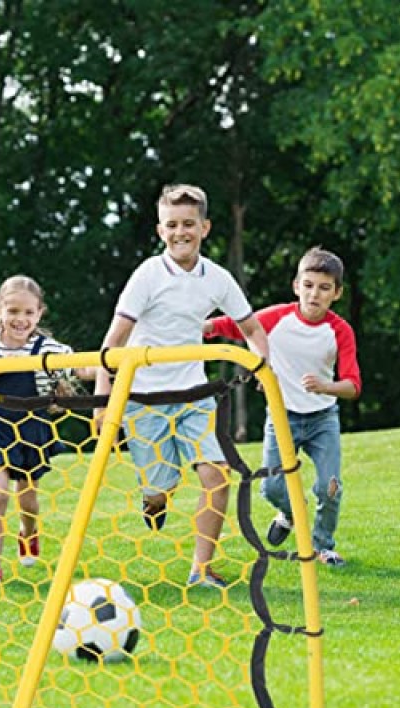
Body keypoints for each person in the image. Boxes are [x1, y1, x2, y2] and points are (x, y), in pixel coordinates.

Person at [94, 183, 269, 589]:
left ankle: (200, 569)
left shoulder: (217, 278)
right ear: (160, 230)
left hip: (193, 393)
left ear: (205, 227)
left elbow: (253, 330)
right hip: (145, 398)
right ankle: (154, 498)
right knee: (160, 489)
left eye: (188, 224)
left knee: (217, 476)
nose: (180, 233)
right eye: (171, 225)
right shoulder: (148, 276)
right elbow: (112, 342)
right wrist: (104, 403)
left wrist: (264, 367)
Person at [204, 246, 361, 566]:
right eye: (308, 285)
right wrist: (199, 327)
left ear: (337, 293)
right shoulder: (277, 318)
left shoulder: (340, 331)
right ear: (296, 286)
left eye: (324, 288)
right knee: (272, 487)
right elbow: (234, 326)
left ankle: (323, 546)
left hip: (322, 419)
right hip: (282, 416)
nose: (314, 294)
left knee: (329, 487)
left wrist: (325, 386)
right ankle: (290, 512)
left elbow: (353, 386)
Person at [0, 275, 94, 585]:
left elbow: (81, 368)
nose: (21, 319)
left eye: (28, 313)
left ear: (40, 313)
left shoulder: (48, 348)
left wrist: (110, 364)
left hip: (32, 427)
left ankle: (28, 532)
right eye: (13, 311)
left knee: (28, 500)